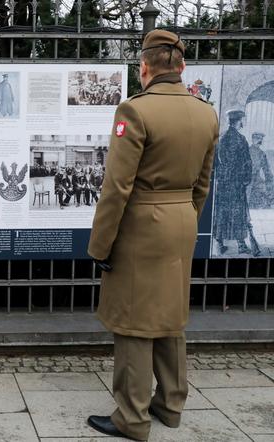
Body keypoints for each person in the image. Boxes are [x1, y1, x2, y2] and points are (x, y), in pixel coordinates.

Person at [86, 30, 218, 441]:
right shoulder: (206, 113)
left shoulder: (135, 111)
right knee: (170, 318)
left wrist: (100, 244)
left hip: (141, 227)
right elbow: (202, 184)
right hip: (182, 222)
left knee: (134, 321)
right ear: (181, 67)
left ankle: (132, 417)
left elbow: (117, 187)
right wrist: (183, 217)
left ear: (144, 67)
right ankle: (170, 406)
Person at [212, 109, 252, 254]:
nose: (244, 122)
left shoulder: (221, 137)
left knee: (222, 212)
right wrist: (246, 179)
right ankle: (241, 245)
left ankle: (219, 243)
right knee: (238, 212)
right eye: (243, 119)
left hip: (223, 183)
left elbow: (214, 161)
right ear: (238, 121)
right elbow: (247, 162)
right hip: (236, 183)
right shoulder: (241, 139)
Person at [247, 132, 273, 209]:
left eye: (260, 139)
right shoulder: (246, 151)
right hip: (246, 178)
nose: (259, 141)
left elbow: (267, 170)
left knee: (263, 191)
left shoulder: (262, 154)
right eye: (257, 139)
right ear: (252, 139)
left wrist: (270, 180)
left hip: (256, 178)